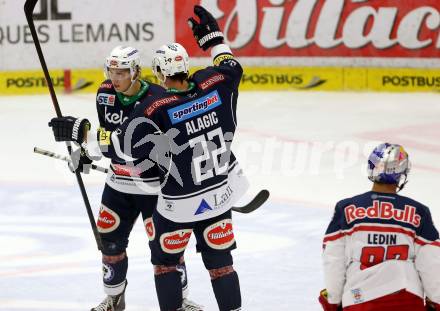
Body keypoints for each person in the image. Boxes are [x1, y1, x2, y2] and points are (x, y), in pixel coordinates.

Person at [48, 5, 248, 310]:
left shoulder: (157, 107)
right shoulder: (216, 84)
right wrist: (214, 40)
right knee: (221, 264)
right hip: (221, 193)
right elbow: (231, 65)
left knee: (166, 264)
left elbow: (121, 143)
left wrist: (81, 133)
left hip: (178, 203)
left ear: (155, 73)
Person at [51, 45, 202, 311]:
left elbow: (151, 142)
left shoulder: (159, 96)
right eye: (111, 71)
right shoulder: (105, 94)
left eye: (122, 72)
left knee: (167, 249)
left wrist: (86, 135)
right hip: (118, 185)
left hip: (154, 188)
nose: (115, 78)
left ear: (136, 72)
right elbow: (108, 135)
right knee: (109, 244)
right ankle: (114, 299)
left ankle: (180, 300)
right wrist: (86, 153)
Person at [319, 143, 440, 311]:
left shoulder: (346, 208)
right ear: (402, 173)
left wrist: (332, 300)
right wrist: (436, 302)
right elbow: (432, 263)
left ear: (371, 167)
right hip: (406, 298)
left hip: (359, 299)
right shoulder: (419, 212)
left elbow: (333, 259)